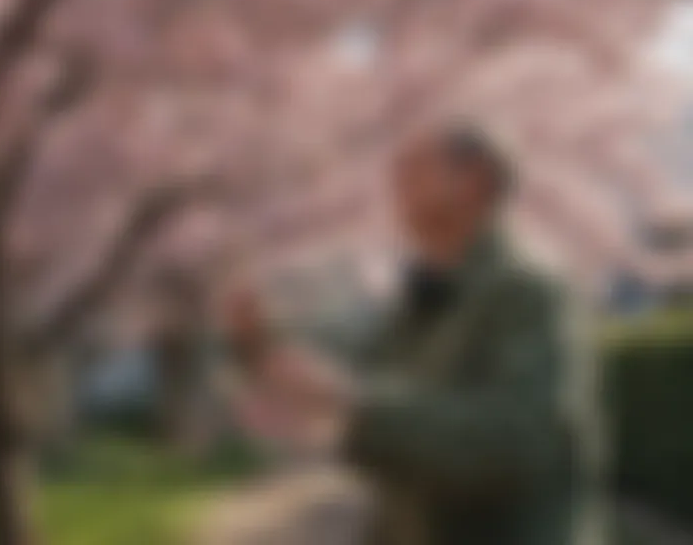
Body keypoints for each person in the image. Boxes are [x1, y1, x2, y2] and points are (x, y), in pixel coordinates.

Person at [223, 125, 581, 545]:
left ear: (476, 180)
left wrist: (352, 400)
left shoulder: (528, 290)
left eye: (416, 166)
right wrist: (260, 344)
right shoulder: (420, 300)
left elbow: (518, 442)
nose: (395, 178)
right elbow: (348, 381)